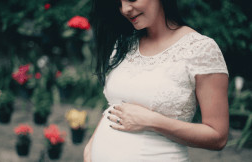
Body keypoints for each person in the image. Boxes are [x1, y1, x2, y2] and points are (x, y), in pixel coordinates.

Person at [84, 0, 229, 161]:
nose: (125, 9)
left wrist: (152, 121)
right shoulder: (124, 45)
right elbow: (115, 106)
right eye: (119, 3)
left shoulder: (201, 49)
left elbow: (218, 137)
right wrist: (91, 145)